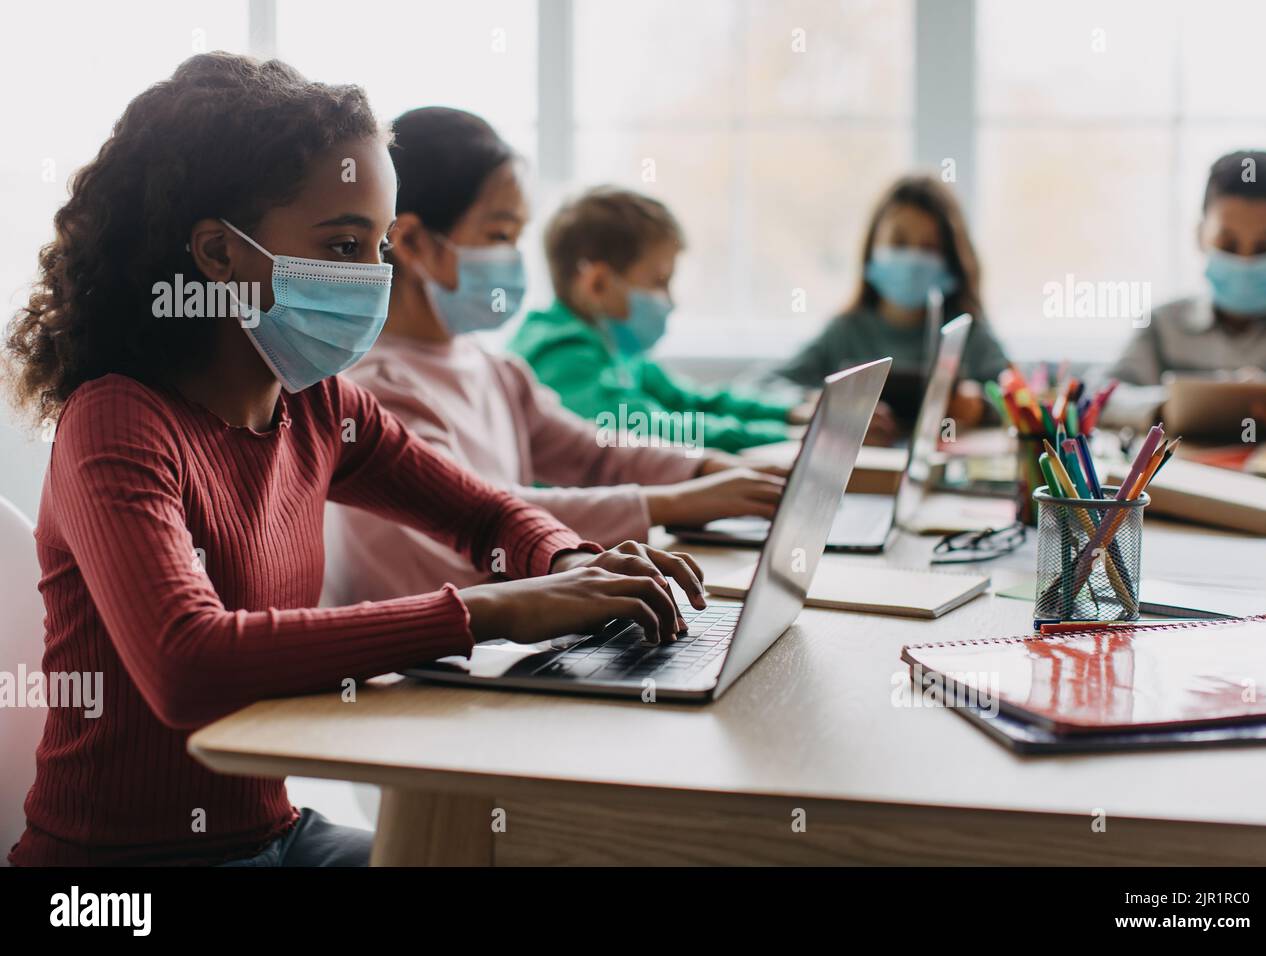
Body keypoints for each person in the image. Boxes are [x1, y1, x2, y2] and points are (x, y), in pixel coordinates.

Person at [2, 53, 704, 867]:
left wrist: (578, 569)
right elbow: (186, 663)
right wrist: (497, 610)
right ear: (218, 256)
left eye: (378, 247)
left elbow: (484, 514)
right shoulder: (117, 422)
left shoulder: (319, 406)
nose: (372, 278)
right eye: (342, 245)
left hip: (272, 836)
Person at [332, 109, 783, 603]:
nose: (515, 258)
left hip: (513, 634)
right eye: (500, 235)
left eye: (519, 238)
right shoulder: (375, 386)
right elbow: (479, 509)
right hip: (434, 662)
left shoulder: (495, 369)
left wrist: (707, 468)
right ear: (415, 241)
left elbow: (594, 454)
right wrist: (674, 502)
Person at [509, 187, 807, 453]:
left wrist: (791, 413)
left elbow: (689, 401)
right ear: (598, 283)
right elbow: (654, 431)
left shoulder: (617, 350)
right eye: (659, 281)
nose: (671, 301)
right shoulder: (561, 356)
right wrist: (782, 436)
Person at [771, 175, 1008, 443]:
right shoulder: (845, 331)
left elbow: (1020, 399)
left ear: (950, 260)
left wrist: (981, 405)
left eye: (929, 247)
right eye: (899, 242)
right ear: (872, 248)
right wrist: (820, 403)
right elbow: (765, 387)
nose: (913, 259)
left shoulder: (969, 334)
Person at [1107, 149, 1266, 435]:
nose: (1245, 262)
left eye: (1264, 248)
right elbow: (1101, 397)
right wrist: (1168, 408)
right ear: (1201, 237)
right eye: (1227, 244)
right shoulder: (1163, 324)